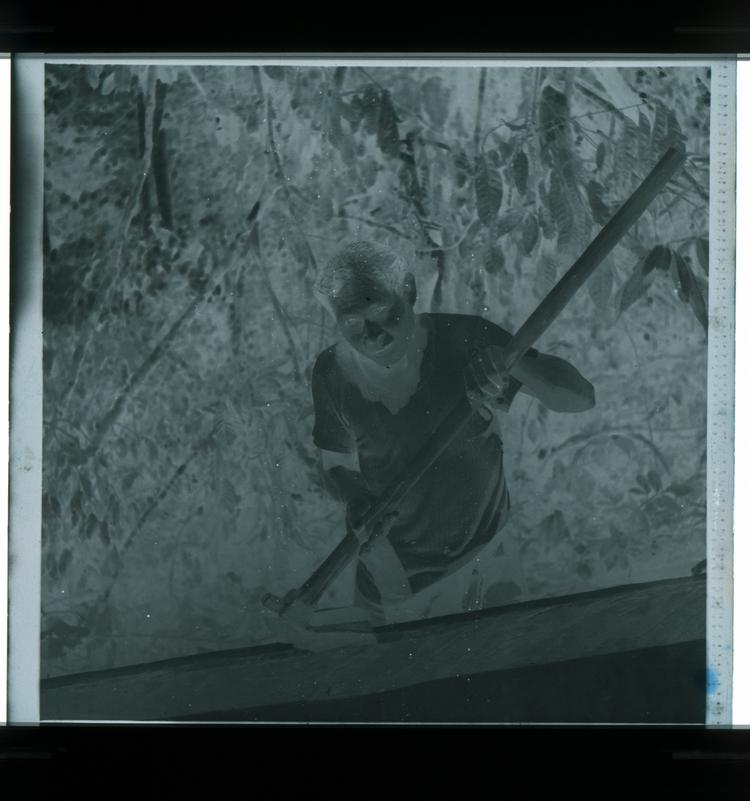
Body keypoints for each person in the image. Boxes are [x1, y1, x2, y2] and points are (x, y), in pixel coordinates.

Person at [311, 241, 595, 623]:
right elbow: (333, 462)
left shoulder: (465, 338)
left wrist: (510, 363)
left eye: (381, 310)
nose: (373, 334)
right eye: (353, 323)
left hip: (486, 558)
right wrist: (355, 496)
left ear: (408, 290)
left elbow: (580, 398)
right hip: (392, 581)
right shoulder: (333, 372)